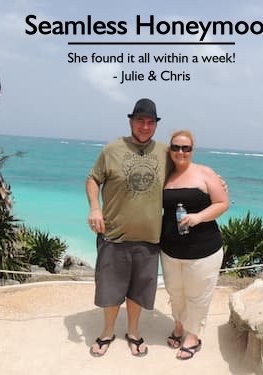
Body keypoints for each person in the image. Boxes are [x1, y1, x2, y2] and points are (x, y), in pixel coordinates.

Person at [85, 98, 170, 357]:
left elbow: (186, 173)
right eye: (140, 121)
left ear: (156, 125)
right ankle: (107, 332)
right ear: (131, 121)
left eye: (150, 122)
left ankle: (133, 332)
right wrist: (94, 208)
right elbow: (92, 179)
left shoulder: (165, 152)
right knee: (110, 290)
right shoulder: (112, 149)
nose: (145, 126)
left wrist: (214, 180)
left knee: (138, 291)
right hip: (114, 235)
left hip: (149, 238)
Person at [160, 130, 229, 360]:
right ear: (170, 150)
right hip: (170, 249)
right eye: (176, 147)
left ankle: (193, 336)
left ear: (192, 150)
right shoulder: (166, 176)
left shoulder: (204, 173)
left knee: (197, 296)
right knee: (176, 292)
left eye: (186, 148)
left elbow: (222, 203)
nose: (180, 152)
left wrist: (198, 217)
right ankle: (179, 326)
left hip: (203, 250)